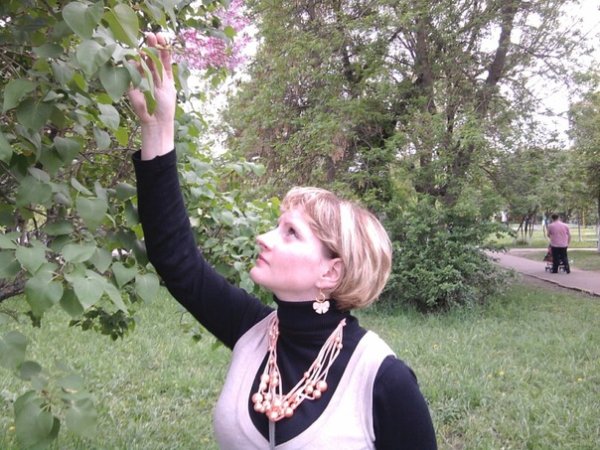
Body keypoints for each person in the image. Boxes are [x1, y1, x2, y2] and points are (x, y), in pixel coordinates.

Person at [128, 32, 437, 449]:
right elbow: (174, 258)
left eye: (291, 232)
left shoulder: (383, 379)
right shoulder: (251, 330)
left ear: (332, 271)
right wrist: (158, 127)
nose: (264, 237)